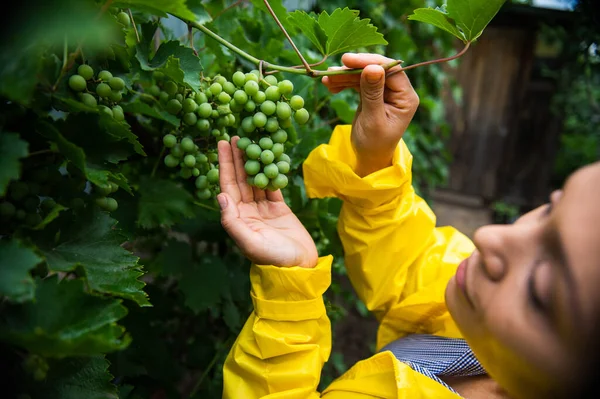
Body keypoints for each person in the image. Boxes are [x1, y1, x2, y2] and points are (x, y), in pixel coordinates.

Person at [216, 53, 600, 399]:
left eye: (540, 288)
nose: (491, 236)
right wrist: (375, 163)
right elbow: (410, 269)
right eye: (549, 210)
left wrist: (287, 305)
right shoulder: (481, 321)